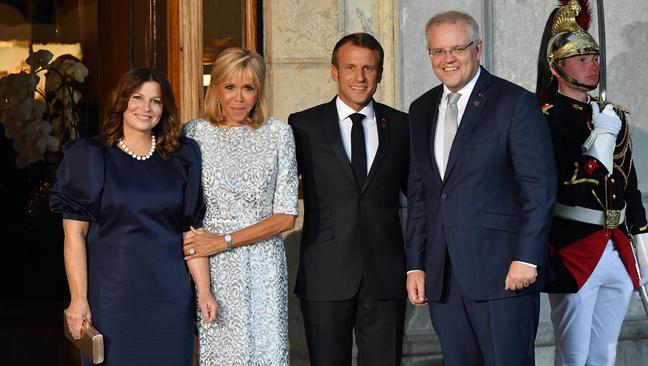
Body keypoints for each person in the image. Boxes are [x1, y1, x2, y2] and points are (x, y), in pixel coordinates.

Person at [405, 11, 557, 366]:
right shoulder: (421, 109)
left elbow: (538, 186)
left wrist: (527, 257)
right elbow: (421, 195)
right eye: (438, 51)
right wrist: (416, 264)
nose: (448, 59)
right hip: (443, 276)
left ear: (479, 48)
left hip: (503, 273)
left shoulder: (513, 102)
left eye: (457, 48)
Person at [50, 67, 210, 365]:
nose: (146, 108)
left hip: (170, 299)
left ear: (165, 108)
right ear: (122, 100)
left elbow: (191, 231)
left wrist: (204, 292)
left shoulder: (181, 157)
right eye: (137, 97)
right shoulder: (90, 157)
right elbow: (74, 236)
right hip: (111, 299)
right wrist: (78, 299)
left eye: (156, 101)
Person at [535, 1, 648, 365]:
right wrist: (601, 135)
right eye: (581, 59)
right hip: (572, 249)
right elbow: (568, 186)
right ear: (557, 68)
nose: (592, 65)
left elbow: (627, 183)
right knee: (574, 355)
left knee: (604, 353)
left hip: (616, 245)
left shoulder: (609, 115)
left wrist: (644, 241)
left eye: (595, 57)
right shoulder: (544, 120)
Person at [288, 33, 409, 366]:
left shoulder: (401, 125)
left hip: (385, 274)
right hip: (324, 272)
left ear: (380, 73)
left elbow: (421, 197)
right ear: (334, 72)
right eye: (351, 67)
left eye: (368, 68)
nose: (360, 77)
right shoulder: (303, 125)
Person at [182, 47, 298, 365]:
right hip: (214, 269)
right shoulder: (194, 134)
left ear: (259, 90)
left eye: (248, 88)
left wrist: (226, 240)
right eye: (230, 87)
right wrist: (205, 271)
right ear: (216, 87)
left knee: (267, 354)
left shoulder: (278, 134)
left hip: (265, 266)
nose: (238, 98)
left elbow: (286, 216)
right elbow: (188, 215)